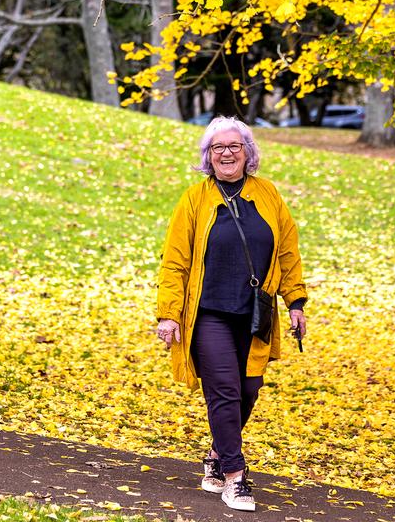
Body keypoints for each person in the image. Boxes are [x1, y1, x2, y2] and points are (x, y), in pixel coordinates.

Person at [156, 116, 308, 512]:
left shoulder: (268, 194)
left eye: (233, 146)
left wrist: (295, 302)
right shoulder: (194, 199)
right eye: (217, 147)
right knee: (223, 390)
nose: (226, 153)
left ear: (247, 152)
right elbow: (174, 261)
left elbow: (287, 250)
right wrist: (169, 314)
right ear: (208, 156)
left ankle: (216, 454)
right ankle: (235, 478)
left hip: (254, 313)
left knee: (248, 390)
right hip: (208, 313)